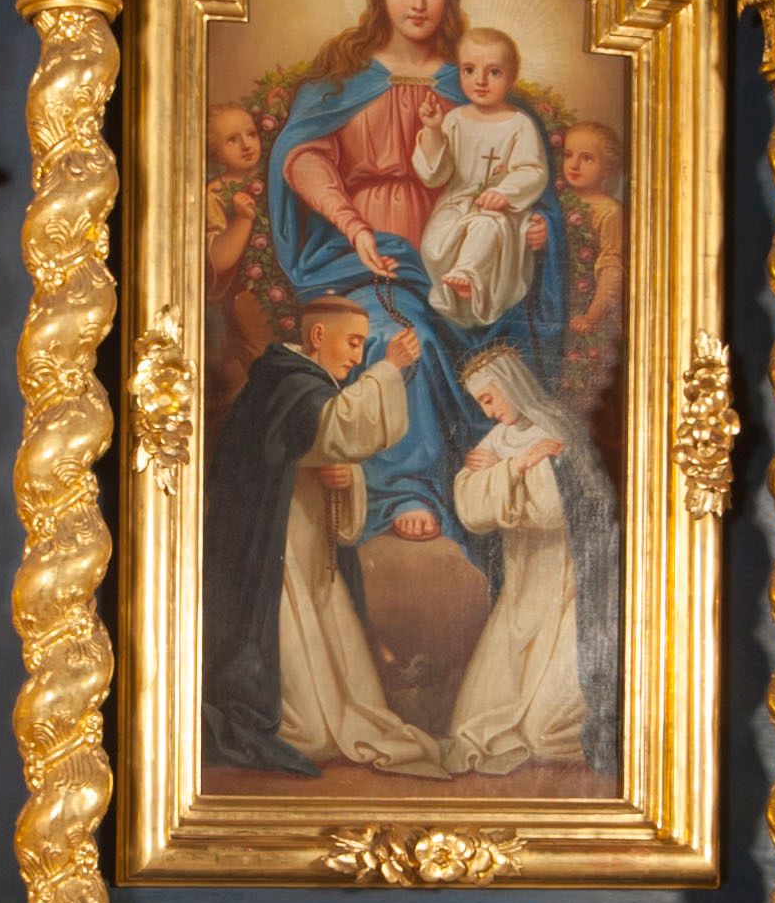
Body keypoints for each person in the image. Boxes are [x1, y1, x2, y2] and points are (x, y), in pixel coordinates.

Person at [267, 0, 570, 546]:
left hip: (464, 260)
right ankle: (408, 488)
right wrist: (353, 225)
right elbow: (304, 158)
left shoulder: (472, 82)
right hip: (364, 260)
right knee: (406, 339)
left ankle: (475, 484)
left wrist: (536, 227)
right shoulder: (343, 82)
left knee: (462, 346)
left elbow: (524, 178)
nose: (417, 1)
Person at [201, 302, 444, 779]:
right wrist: (389, 368)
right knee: (308, 724)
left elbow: (328, 448)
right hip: (275, 551)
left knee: (343, 686)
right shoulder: (286, 382)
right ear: (316, 336)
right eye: (352, 342)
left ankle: (332, 715)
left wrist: (346, 478)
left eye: (362, 345)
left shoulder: (304, 387)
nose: (356, 356)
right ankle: (293, 720)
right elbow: (340, 430)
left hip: (309, 544)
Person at [446, 346, 618, 777]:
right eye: (480, 404)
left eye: (490, 399)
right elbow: (469, 507)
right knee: (478, 726)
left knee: (543, 733)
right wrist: (517, 465)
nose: (488, 412)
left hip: (569, 589)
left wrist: (500, 475)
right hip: (523, 585)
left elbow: (550, 511)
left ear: (510, 385)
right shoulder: (499, 439)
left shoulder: (556, 429)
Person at [415, 29, 552, 328]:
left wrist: (504, 193)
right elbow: (436, 174)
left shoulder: (520, 125)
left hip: (500, 212)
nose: (480, 81)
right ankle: (455, 292)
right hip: (457, 204)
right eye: (469, 70)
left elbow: (532, 171)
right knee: (434, 242)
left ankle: (469, 277)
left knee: (485, 227)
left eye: (494, 72)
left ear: (511, 78)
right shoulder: (454, 119)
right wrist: (433, 131)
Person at [202, 102, 273, 400]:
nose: (246, 145)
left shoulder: (274, 177)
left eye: (251, 134)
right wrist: (242, 220)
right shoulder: (216, 193)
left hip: (284, 287)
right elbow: (217, 260)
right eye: (232, 140)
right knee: (257, 369)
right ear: (217, 152)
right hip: (244, 298)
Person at [559, 119, 626, 414]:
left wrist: (592, 315)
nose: (574, 165)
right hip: (555, 303)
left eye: (587, 158)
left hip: (587, 307)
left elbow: (611, 268)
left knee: (579, 386)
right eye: (568, 155)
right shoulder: (556, 202)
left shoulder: (608, 211)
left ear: (607, 168)